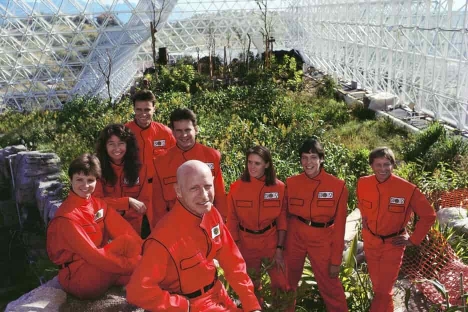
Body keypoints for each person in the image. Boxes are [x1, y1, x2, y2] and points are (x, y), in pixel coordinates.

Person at [126, 160, 261, 312]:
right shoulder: (163, 238)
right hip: (193, 305)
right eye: (194, 188)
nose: (204, 196)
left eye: (208, 186)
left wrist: (251, 304)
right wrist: (182, 306)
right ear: (178, 191)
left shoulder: (211, 214)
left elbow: (232, 261)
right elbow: (137, 291)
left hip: (219, 295)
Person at [46, 154, 142, 299]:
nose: (85, 186)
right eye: (79, 180)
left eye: (90, 180)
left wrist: (149, 252)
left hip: (100, 267)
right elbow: (95, 257)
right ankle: (129, 273)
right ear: (70, 179)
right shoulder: (66, 217)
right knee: (142, 270)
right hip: (79, 277)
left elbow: (127, 233)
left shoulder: (98, 204)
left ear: (97, 181)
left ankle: (127, 275)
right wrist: (134, 264)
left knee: (128, 242)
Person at [357, 147, 436, 312]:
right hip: (371, 242)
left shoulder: (407, 189)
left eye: (387, 164)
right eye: (378, 165)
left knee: (383, 290)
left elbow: (429, 215)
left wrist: (413, 240)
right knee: (379, 288)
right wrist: (365, 218)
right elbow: (363, 203)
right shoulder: (363, 183)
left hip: (393, 244)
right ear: (371, 165)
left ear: (393, 165)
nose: (382, 169)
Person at [284, 138, 348, 311]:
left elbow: (341, 225)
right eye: (304, 157)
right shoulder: (291, 183)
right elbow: (285, 215)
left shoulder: (338, 186)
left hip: (323, 238)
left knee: (331, 286)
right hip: (295, 235)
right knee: (287, 282)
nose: (308, 162)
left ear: (321, 159)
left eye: (313, 157)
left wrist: (336, 260)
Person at [227, 146, 289, 305]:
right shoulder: (236, 187)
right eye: (249, 162)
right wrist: (236, 246)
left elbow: (282, 219)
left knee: (281, 283)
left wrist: (280, 248)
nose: (252, 167)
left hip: (270, 241)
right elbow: (232, 219)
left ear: (267, 165)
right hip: (245, 242)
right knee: (251, 285)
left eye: (257, 163)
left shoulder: (279, 187)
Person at [151, 108, 228, 228]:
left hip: (207, 223)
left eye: (188, 130)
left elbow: (220, 197)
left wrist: (221, 225)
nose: (184, 135)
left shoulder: (211, 156)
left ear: (196, 130)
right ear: (173, 132)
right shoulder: (161, 162)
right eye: (179, 131)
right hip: (176, 227)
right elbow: (158, 206)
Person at [94, 124, 151, 236]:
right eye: (111, 144)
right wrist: (127, 201)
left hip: (134, 230)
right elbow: (96, 202)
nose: (116, 149)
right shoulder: (97, 169)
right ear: (104, 146)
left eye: (121, 143)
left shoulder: (141, 169)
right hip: (106, 227)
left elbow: (144, 204)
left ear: (128, 145)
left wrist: (123, 211)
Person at [125, 89, 176, 178]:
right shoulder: (124, 132)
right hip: (133, 186)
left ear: (154, 109)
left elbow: (177, 159)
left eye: (147, 109)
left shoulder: (166, 133)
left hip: (159, 185)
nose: (143, 114)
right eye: (139, 110)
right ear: (134, 109)